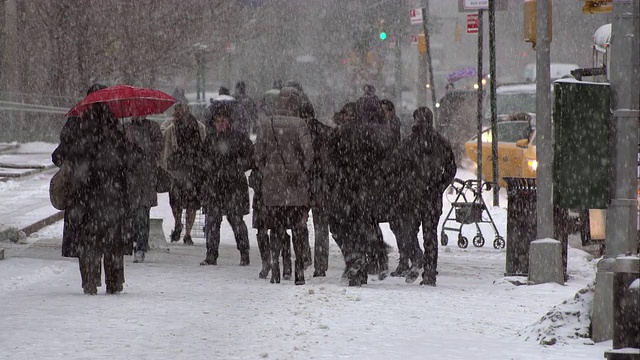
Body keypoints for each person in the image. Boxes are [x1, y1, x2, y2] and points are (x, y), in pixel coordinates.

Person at [52, 100, 131, 295]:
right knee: (112, 241)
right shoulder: (114, 130)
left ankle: (90, 280)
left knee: (88, 240)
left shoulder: (78, 128)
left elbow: (57, 156)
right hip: (111, 197)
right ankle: (114, 281)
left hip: (83, 197)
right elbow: (130, 159)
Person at [327, 96, 393, 286]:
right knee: (366, 226)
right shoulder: (384, 135)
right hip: (371, 191)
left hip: (346, 189)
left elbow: (330, 161)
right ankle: (372, 258)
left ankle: (355, 259)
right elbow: (389, 164)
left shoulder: (343, 132)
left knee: (345, 227)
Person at [388, 107, 457, 286]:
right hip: (431, 196)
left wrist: (404, 185)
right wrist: (439, 186)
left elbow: (396, 167)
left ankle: (420, 260)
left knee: (409, 231)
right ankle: (429, 272)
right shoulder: (441, 142)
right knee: (430, 235)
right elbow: (451, 169)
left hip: (413, 196)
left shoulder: (409, 142)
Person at [254, 86, 313, 285]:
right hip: (295, 187)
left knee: (276, 229)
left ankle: (276, 269)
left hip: (272, 188)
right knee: (297, 228)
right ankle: (299, 271)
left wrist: (268, 173)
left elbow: (258, 156)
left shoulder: (266, 124)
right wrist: (299, 171)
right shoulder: (300, 125)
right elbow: (309, 155)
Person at [199, 102, 254, 266]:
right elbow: (202, 159)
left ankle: (244, 253)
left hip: (234, 186)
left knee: (236, 221)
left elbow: (250, 157)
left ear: (228, 121)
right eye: (218, 120)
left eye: (223, 120)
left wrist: (238, 167)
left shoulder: (239, 138)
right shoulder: (210, 140)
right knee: (212, 221)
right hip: (214, 185)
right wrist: (208, 167)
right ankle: (211, 254)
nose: (221, 123)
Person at [161, 102, 206, 245]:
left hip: (187, 170)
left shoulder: (198, 126)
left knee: (187, 202)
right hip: (183, 170)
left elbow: (204, 143)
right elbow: (163, 136)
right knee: (180, 201)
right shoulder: (171, 125)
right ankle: (181, 227)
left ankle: (185, 230)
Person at [124, 116, 164, 263]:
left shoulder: (152, 127)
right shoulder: (126, 127)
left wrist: (141, 144)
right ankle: (132, 242)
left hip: (146, 177)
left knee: (142, 213)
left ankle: (140, 247)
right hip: (130, 178)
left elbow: (159, 145)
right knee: (130, 214)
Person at [301, 102, 333, 278]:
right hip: (323, 184)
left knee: (300, 223)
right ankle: (320, 265)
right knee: (321, 227)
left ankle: (305, 256)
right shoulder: (326, 132)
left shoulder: (299, 133)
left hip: (304, 183)